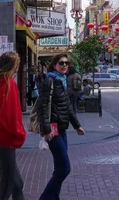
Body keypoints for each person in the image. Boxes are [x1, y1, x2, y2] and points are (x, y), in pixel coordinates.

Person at [38, 53, 85, 200]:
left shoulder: (62, 80)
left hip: (62, 128)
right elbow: (42, 106)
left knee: (59, 167)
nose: (64, 65)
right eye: (61, 63)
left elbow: (68, 107)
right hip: (53, 129)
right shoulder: (50, 80)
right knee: (65, 168)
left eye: (66, 63)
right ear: (54, 65)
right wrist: (46, 130)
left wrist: (77, 126)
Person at [0, 52, 26, 200]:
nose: (17, 69)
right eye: (16, 65)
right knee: (6, 188)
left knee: (17, 184)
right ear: (12, 66)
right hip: (5, 139)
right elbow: (9, 115)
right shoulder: (8, 84)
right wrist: (19, 133)